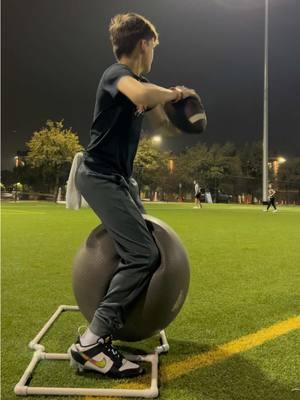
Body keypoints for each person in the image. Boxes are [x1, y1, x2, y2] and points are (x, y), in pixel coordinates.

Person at [68, 13, 199, 378]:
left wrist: (174, 107)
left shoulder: (137, 84)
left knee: (142, 247)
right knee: (142, 253)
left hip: (122, 180)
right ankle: (91, 345)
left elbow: (158, 117)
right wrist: (172, 93)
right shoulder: (115, 75)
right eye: (154, 45)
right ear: (144, 43)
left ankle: (112, 326)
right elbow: (142, 94)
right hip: (98, 176)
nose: (155, 52)